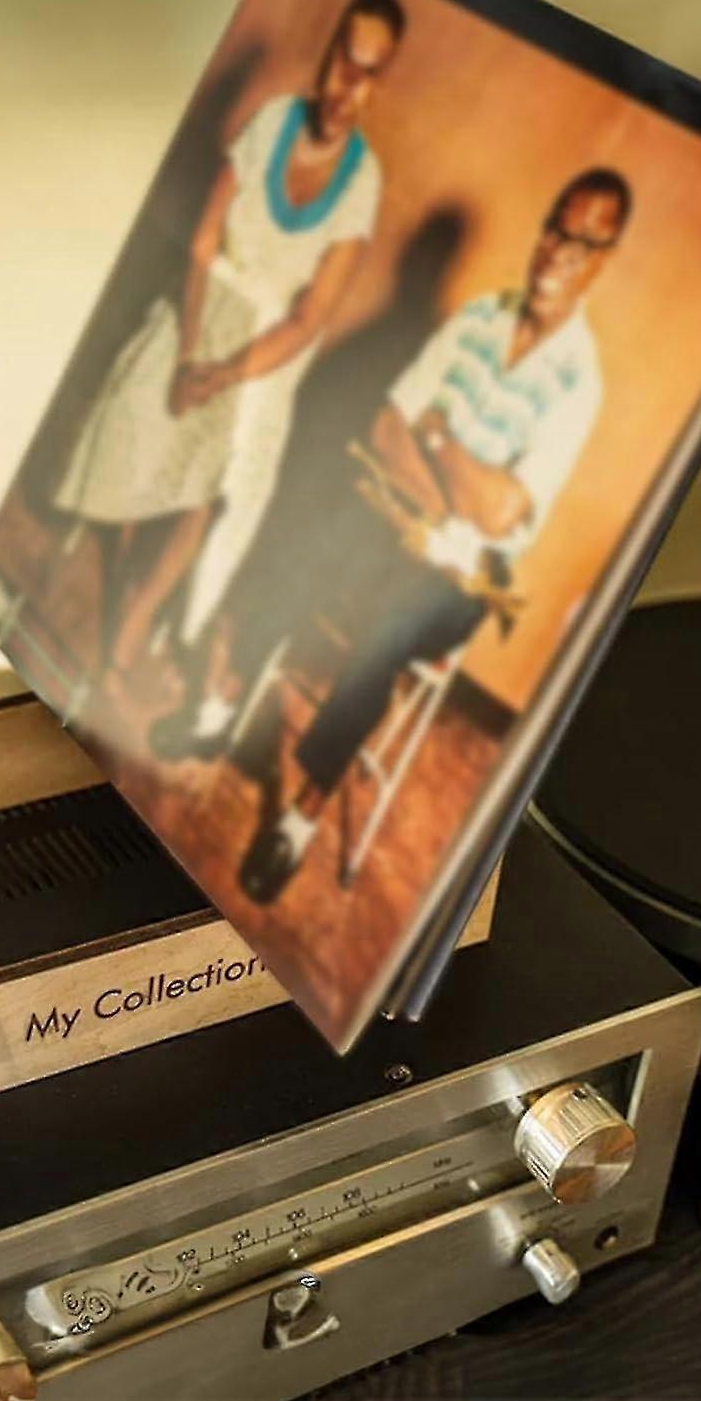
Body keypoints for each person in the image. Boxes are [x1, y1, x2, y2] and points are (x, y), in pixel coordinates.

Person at [235, 167, 633, 904]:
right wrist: (451, 486)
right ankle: (226, 706)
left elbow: (504, 516)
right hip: (391, 521)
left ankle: (300, 815)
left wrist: (440, 439)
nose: (557, 253)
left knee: (387, 632)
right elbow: (389, 425)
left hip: (458, 582)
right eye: (555, 228)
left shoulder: (580, 385)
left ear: (601, 260)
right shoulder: (478, 318)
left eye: (582, 243)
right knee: (307, 528)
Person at [49, 0, 405, 686]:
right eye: (344, 61)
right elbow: (205, 242)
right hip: (203, 303)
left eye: (369, 73)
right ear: (329, 52)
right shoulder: (272, 122)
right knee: (139, 413)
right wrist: (186, 353)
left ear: (377, 85)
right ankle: (119, 567)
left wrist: (219, 375)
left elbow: (309, 319)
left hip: (269, 351)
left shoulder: (362, 182)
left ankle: (135, 616)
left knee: (216, 478)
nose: (347, 85)